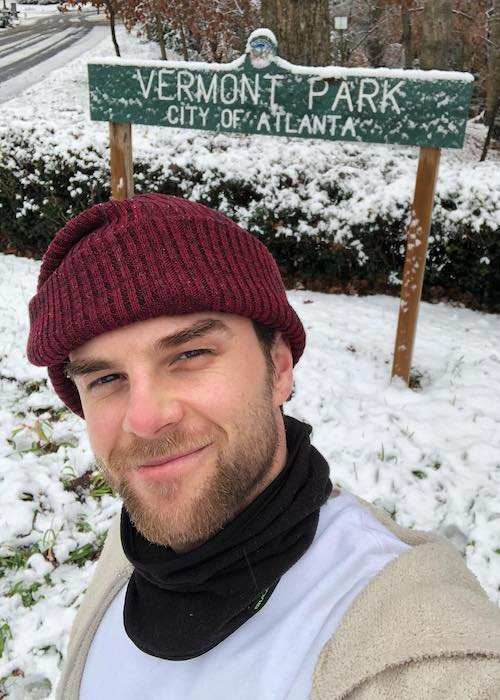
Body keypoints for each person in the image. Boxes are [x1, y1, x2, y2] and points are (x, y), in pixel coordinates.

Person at [26, 194, 500, 699]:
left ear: (278, 368)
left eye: (190, 353)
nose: (144, 419)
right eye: (105, 378)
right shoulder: (128, 550)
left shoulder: (430, 656)